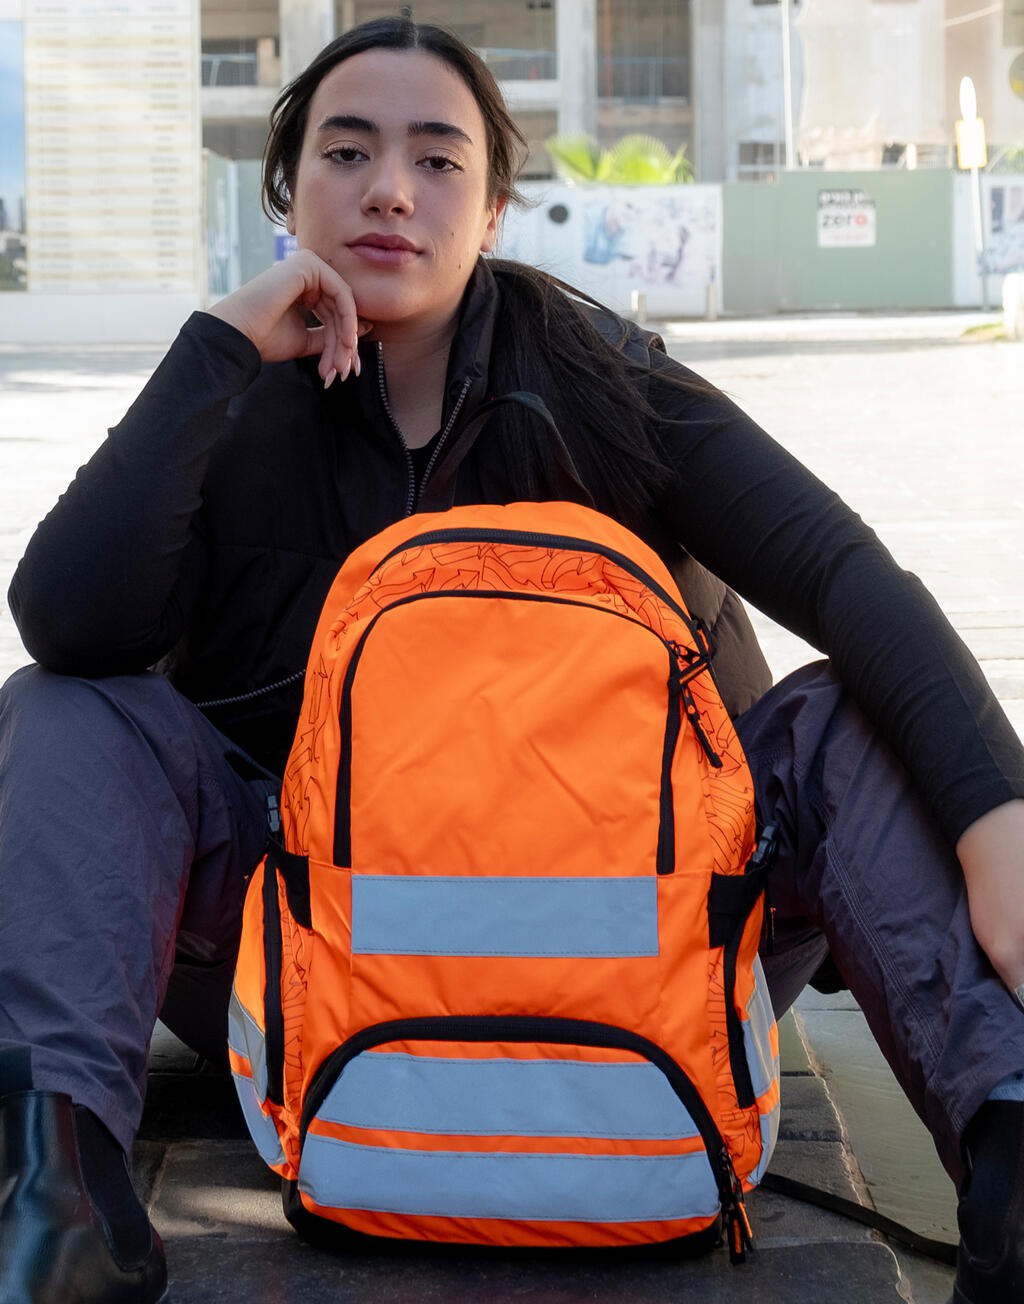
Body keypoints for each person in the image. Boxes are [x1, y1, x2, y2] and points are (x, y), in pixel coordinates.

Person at [0, 17, 1022, 1304]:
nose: (388, 188)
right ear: (286, 189)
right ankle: (64, 1193)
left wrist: (999, 816)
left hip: (656, 933)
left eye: (437, 160)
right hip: (323, 942)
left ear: (491, 209)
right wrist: (213, 351)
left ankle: (1011, 1156)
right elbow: (68, 624)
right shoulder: (233, 402)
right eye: (347, 150)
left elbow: (844, 577)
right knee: (73, 713)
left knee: (839, 720)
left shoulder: (604, 382)